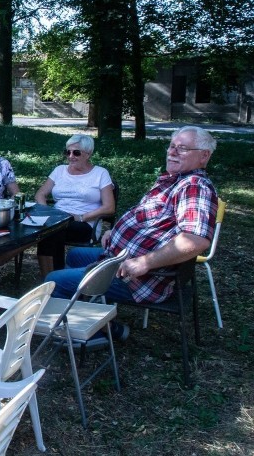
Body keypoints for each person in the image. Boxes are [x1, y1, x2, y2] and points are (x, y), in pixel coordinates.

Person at [46, 126, 219, 336]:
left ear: (204, 156)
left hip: (139, 278)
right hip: (121, 258)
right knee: (75, 255)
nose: (172, 152)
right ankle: (98, 317)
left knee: (54, 282)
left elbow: (196, 239)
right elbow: (150, 221)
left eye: (182, 148)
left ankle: (97, 333)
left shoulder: (194, 187)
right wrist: (116, 233)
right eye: (171, 146)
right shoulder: (175, 181)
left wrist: (145, 262)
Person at [34, 134, 115, 276]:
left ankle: (56, 277)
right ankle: (49, 278)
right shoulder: (59, 170)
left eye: (76, 152)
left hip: (85, 223)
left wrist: (81, 217)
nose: (71, 156)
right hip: (56, 219)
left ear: (88, 154)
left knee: (53, 231)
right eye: (67, 152)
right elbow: (40, 194)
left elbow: (109, 207)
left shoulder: (100, 174)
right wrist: (47, 213)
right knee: (48, 230)